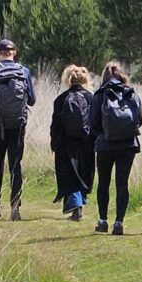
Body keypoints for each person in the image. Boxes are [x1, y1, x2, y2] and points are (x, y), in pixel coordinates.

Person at [0, 35, 36, 220]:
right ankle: (15, 207)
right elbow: (32, 100)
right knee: (16, 166)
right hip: (18, 126)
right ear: (14, 53)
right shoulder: (24, 72)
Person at [90, 60, 142, 236]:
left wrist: (104, 133)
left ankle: (103, 220)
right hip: (128, 145)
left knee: (103, 183)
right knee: (122, 183)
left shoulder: (99, 95)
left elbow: (93, 123)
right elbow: (139, 120)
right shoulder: (131, 94)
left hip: (105, 145)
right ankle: (119, 222)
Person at [49, 64, 95, 223]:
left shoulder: (60, 99)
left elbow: (55, 124)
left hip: (66, 143)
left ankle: (76, 207)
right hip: (86, 142)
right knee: (83, 173)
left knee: (70, 174)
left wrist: (54, 143)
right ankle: (79, 205)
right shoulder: (91, 98)